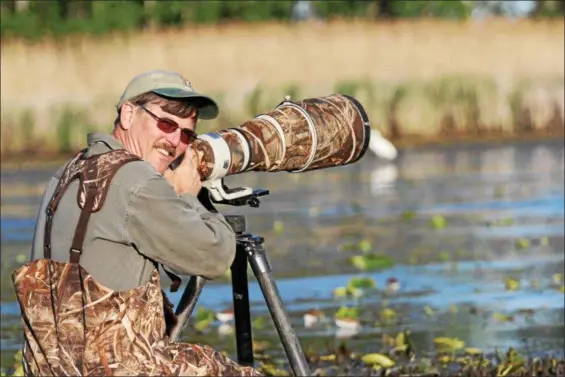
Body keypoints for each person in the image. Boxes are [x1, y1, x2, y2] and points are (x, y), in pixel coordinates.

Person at [12, 70, 261, 376]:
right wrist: (186, 195)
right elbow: (214, 256)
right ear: (128, 114)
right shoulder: (136, 180)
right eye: (167, 123)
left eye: (187, 134)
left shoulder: (69, 171)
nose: (175, 142)